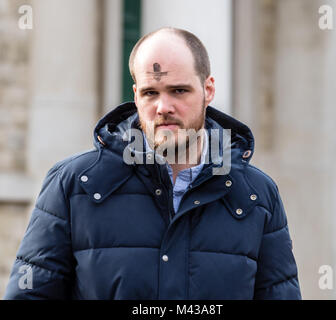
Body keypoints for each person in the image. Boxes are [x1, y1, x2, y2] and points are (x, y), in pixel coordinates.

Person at [4, 27, 301, 300]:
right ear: (135, 96)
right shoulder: (73, 184)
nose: (163, 108)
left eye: (179, 91)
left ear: (208, 90)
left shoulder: (257, 194)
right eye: (150, 93)